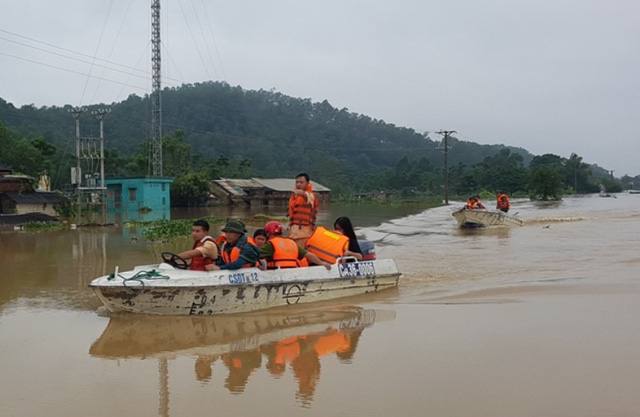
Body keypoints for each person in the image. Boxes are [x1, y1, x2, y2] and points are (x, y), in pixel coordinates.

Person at [260, 221, 331, 270]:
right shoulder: (292, 243)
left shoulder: (270, 245)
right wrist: (321, 263)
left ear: (267, 232)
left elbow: (255, 255)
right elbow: (309, 255)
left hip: (277, 273)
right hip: (292, 272)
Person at [288, 172, 318, 247]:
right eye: (297, 182)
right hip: (293, 233)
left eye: (301, 182)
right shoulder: (294, 197)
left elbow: (306, 196)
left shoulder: (310, 195)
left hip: (304, 233)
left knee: (302, 254)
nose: (298, 184)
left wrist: (301, 193)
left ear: (307, 183)